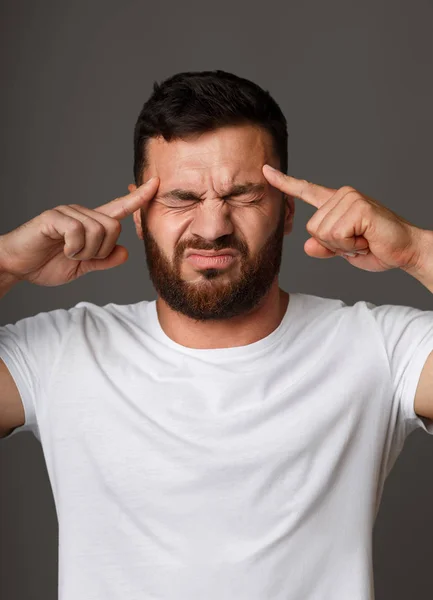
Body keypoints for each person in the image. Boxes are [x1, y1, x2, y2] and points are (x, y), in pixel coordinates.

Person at [1, 69, 433, 600]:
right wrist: (4, 264)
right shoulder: (60, 353)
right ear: (138, 214)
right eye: (181, 197)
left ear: (288, 210)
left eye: (244, 196)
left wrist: (416, 250)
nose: (212, 228)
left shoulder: (379, 350)